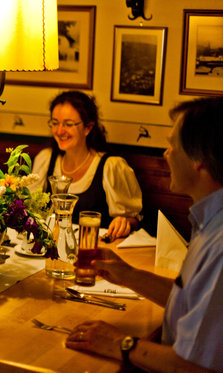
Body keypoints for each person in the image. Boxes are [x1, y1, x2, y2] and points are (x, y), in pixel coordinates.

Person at [65, 97, 223, 372]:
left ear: (199, 160)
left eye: (172, 144)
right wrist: (129, 275)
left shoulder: (219, 244)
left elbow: (194, 366)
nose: (166, 153)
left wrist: (120, 343)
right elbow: (194, 304)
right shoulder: (209, 220)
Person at [32, 90, 142, 239]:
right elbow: (29, 208)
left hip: (94, 249)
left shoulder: (110, 166)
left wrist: (124, 222)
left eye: (68, 124)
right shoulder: (45, 159)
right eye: (55, 123)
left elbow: (134, 219)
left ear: (88, 127)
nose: (59, 131)